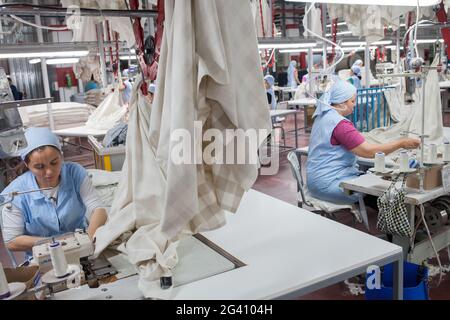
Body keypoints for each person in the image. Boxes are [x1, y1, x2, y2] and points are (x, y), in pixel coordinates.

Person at [306, 81, 420, 204]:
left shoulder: (322, 116)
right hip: (330, 184)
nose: (354, 105)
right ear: (341, 102)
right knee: (384, 193)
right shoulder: (341, 125)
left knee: (370, 178)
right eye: (352, 101)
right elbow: (368, 152)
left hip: (315, 181)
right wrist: (401, 143)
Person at [1, 127, 108, 256]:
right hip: (44, 256)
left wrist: (87, 241)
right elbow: (12, 241)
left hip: (83, 246)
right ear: (26, 164)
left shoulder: (75, 173)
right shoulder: (15, 193)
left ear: (61, 156)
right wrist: (59, 243)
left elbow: (98, 209)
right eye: (39, 167)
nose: (49, 172)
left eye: (54, 162)